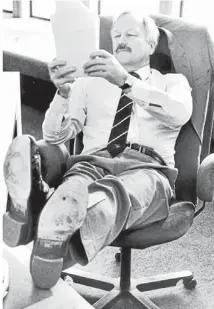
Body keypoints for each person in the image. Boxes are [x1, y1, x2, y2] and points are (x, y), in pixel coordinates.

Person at [3, 11, 193, 289]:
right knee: (77, 187)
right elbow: (57, 135)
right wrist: (63, 94)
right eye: (116, 35)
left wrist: (125, 82)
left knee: (113, 194)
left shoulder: (172, 83)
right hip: (91, 163)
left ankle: (38, 212)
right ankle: (49, 225)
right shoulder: (87, 83)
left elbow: (178, 113)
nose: (121, 40)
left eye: (130, 34)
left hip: (148, 170)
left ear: (151, 45)